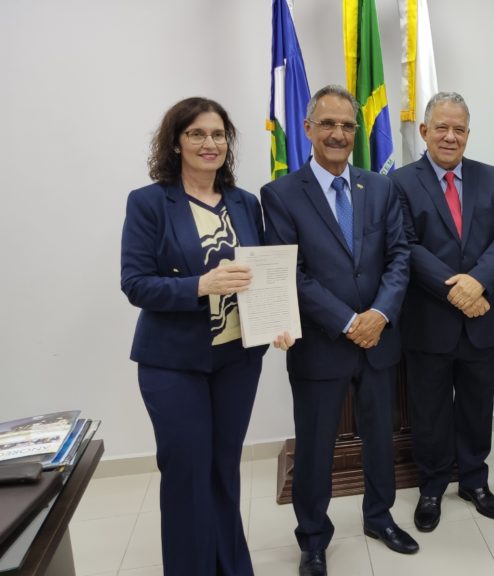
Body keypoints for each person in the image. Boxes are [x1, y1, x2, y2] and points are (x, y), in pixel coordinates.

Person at [121, 97, 291, 575]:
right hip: (172, 363)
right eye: (196, 133)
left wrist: (278, 320)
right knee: (187, 475)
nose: (209, 143)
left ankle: (232, 567)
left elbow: (262, 274)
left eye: (218, 134)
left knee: (223, 470)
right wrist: (200, 285)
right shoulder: (149, 202)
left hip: (237, 360)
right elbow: (135, 284)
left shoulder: (245, 202)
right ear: (176, 143)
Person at [260, 85, 416, 576]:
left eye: (347, 125)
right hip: (321, 345)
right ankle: (312, 539)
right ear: (308, 129)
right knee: (315, 446)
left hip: (379, 339)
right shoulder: (281, 194)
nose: (338, 134)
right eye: (327, 124)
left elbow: (399, 257)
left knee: (379, 438)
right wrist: (349, 321)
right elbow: (292, 272)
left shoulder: (380, 187)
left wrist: (380, 314)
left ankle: (379, 517)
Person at [389, 92, 494, 532]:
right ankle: (432, 486)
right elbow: (406, 245)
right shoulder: (400, 182)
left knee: (477, 406)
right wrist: (458, 290)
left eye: (459, 129)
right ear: (425, 131)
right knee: (429, 410)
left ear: (468, 133)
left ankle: (474, 481)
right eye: (441, 128)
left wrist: (477, 282)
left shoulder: (490, 176)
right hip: (429, 319)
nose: (450, 136)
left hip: (485, 316)